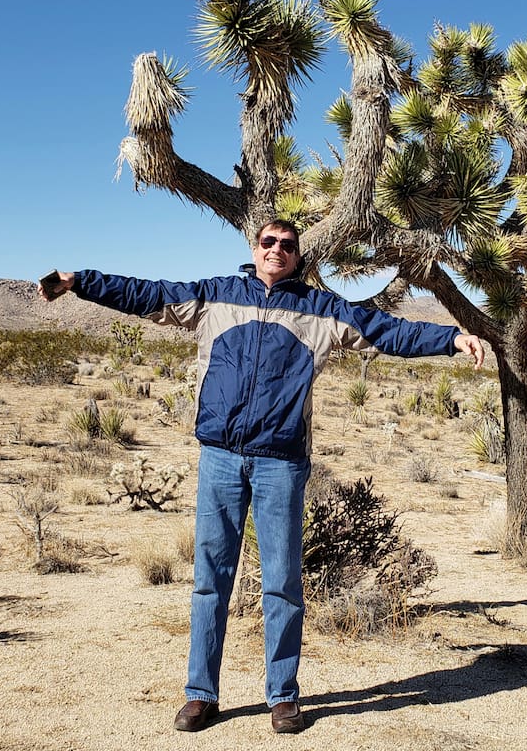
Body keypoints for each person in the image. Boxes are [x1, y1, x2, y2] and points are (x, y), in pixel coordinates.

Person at [39, 220, 484, 734]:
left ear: (298, 256)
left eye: (287, 245)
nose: (277, 250)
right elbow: (148, 294)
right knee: (210, 580)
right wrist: (81, 281)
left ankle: (283, 695)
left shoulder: (322, 309)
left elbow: (388, 330)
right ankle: (200, 694)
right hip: (221, 457)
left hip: (282, 462)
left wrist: (451, 339)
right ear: (255, 250)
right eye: (268, 243)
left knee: (282, 582)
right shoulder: (215, 296)